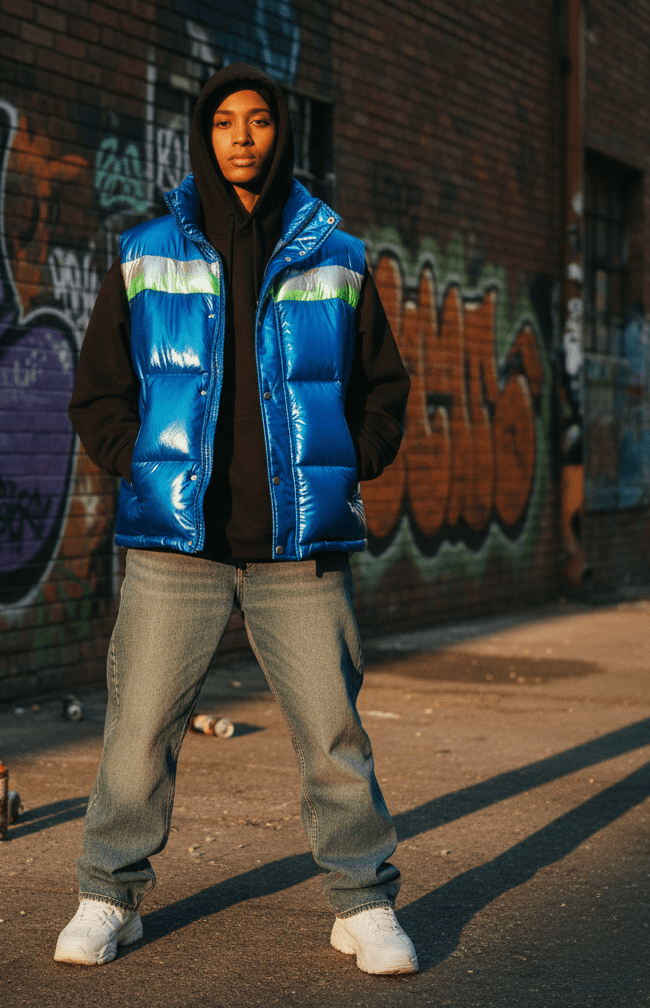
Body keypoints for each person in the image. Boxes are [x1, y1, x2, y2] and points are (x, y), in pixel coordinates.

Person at [56, 62, 415, 975]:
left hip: (299, 550)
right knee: (137, 733)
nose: (243, 137)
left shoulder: (334, 252)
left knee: (334, 737)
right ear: (204, 137)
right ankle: (108, 895)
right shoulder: (147, 251)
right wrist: (142, 464)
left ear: (281, 132)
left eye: (258, 121)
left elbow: (383, 388)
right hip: (177, 547)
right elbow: (100, 392)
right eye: (226, 123)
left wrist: (349, 462)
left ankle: (363, 903)